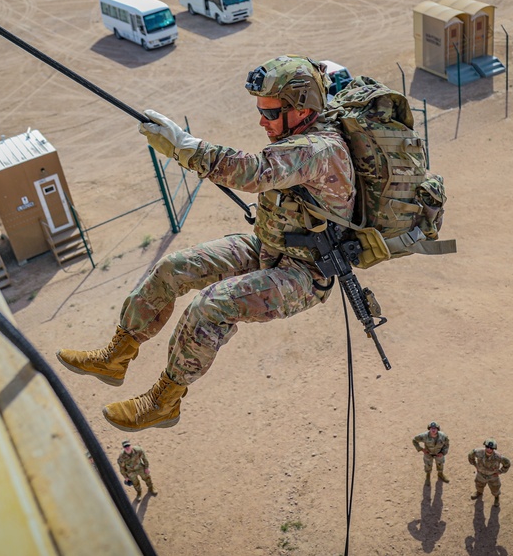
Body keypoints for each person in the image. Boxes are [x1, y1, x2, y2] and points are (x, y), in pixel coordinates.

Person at [56, 55, 355, 431]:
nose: (262, 121)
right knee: (173, 268)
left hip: (304, 274)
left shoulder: (319, 150)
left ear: (301, 110)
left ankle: (165, 401)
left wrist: (184, 146)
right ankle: (118, 354)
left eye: (270, 112)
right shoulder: (299, 140)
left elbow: (253, 172)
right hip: (269, 248)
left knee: (209, 307)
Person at [468, 438, 511, 506]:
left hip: (493, 476)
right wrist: (475, 465)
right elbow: (470, 455)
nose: (489, 449)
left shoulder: (498, 457)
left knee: (495, 488)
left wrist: (500, 472)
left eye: (491, 448)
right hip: (481, 474)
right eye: (487, 447)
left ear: (494, 449)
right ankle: (479, 492)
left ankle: (496, 497)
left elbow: (507, 464)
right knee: (479, 485)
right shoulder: (478, 452)